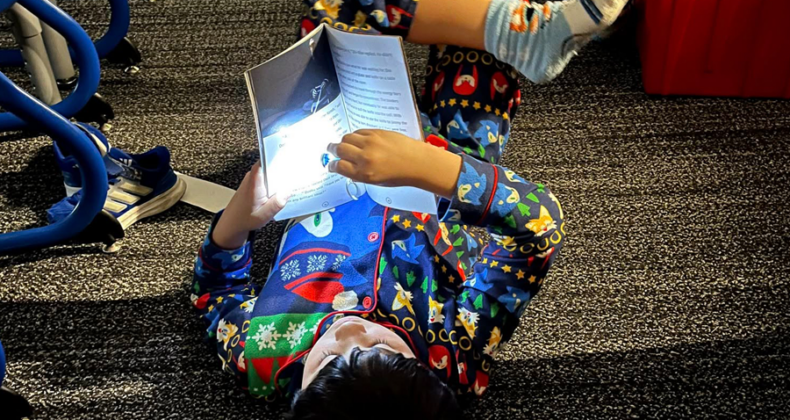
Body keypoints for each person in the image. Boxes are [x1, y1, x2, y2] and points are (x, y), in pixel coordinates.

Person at [192, 0, 626, 416]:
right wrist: (430, 166)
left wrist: (236, 221)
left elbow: (215, 293)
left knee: (334, 13)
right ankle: (525, 33)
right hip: (449, 159)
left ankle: (521, 31)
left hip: (332, 136)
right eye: (384, 350)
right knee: (487, 41)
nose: (350, 332)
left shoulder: (265, 361)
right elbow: (538, 227)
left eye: (326, 360)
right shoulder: (457, 358)